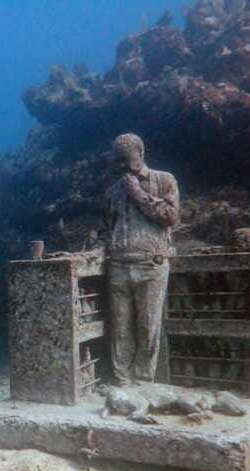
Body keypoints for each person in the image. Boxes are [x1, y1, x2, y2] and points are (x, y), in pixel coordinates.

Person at [100, 133, 179, 385]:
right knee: (120, 329)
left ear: (142, 154)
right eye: (118, 161)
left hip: (151, 265)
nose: (123, 166)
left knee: (148, 328)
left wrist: (137, 193)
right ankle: (122, 382)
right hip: (118, 267)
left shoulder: (164, 180)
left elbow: (170, 217)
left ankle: (143, 382)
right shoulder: (112, 193)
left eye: (128, 160)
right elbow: (106, 230)